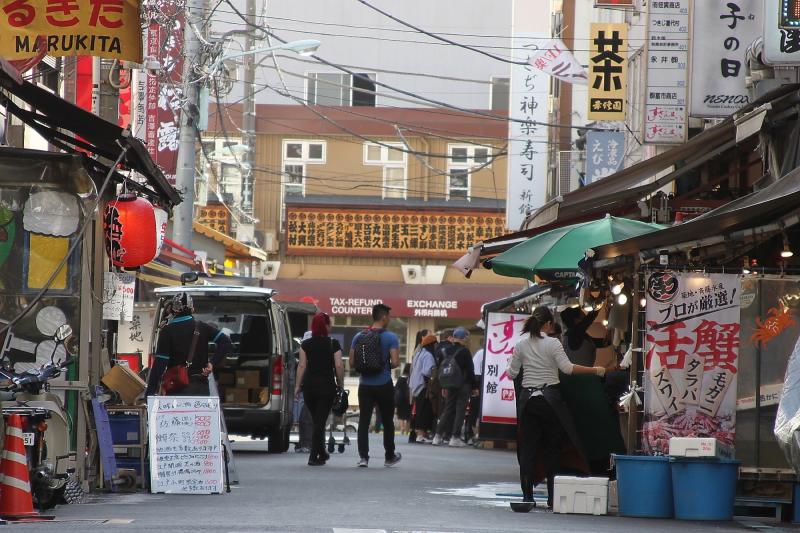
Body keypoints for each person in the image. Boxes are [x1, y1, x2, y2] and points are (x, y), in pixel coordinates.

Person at [507, 306, 605, 508]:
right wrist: (595, 370)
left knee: (529, 448)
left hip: (528, 403)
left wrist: (511, 363)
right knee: (552, 449)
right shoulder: (553, 343)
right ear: (549, 324)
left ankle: (527, 497)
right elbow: (568, 369)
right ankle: (553, 498)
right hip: (551, 401)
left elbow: (512, 374)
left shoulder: (521, 344)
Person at [146, 292, 232, 397]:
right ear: (192, 310)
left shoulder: (167, 331)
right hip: (200, 388)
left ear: (173, 310)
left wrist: (149, 393)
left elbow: (159, 365)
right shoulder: (202, 327)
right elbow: (226, 342)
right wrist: (212, 363)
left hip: (176, 387)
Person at [349, 304, 402, 467]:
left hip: (365, 384)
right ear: (384, 317)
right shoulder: (391, 337)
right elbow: (395, 362)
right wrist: (383, 364)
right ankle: (389, 456)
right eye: (389, 316)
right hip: (384, 384)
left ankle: (363, 457)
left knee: (364, 421)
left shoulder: (359, 336)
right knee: (387, 421)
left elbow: (351, 363)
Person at [294, 313, 345, 466]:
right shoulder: (333, 344)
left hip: (309, 388)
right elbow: (339, 365)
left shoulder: (305, 344)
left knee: (317, 420)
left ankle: (321, 453)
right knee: (320, 422)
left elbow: (302, 366)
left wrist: (297, 386)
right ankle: (313, 456)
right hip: (326, 388)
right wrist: (340, 384)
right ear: (326, 326)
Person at [432, 328, 478, 447]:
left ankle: (437, 436)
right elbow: (470, 370)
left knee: (448, 409)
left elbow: (441, 368)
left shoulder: (446, 350)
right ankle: (455, 437)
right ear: (463, 339)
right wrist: (474, 387)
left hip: (450, 384)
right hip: (463, 385)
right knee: (460, 410)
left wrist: (444, 385)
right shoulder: (465, 351)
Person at [408, 333, 437, 443]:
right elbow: (427, 371)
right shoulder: (428, 355)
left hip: (416, 385)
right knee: (423, 410)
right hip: (423, 385)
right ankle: (421, 435)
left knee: (418, 409)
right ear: (431, 344)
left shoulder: (419, 353)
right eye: (435, 344)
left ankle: (419, 434)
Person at [464, 343, 484, 445]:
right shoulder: (482, 353)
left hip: (478, 381)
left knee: (474, 410)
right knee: (474, 410)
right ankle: (469, 434)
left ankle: (470, 434)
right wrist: (475, 386)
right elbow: (476, 371)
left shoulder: (480, 353)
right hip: (478, 381)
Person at [394, 364, 412, 435]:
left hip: (400, 400)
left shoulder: (400, 378)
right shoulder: (410, 378)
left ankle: (402, 429)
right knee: (408, 417)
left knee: (401, 415)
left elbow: (396, 389)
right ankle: (407, 431)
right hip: (408, 399)